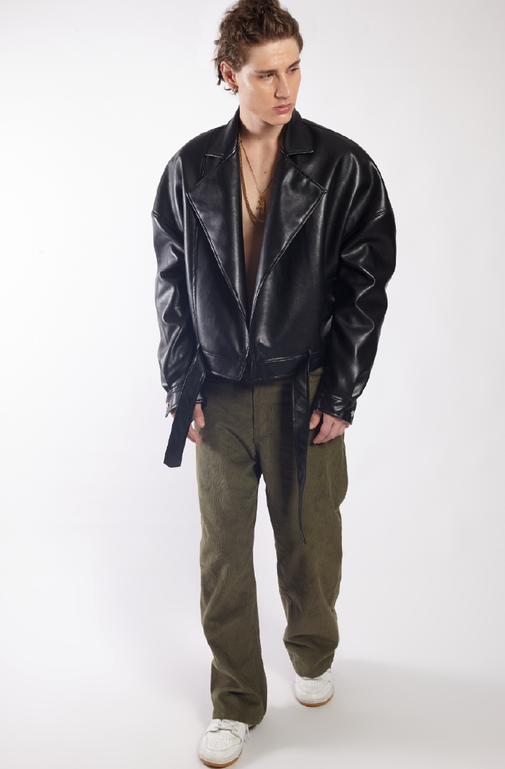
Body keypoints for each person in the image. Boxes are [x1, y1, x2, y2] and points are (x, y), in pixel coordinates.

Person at [153, 1, 396, 764]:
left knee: (309, 544)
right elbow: (170, 287)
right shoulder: (189, 169)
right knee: (223, 557)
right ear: (230, 74)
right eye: (265, 74)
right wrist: (180, 385)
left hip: (305, 387)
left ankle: (313, 651)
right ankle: (234, 700)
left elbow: (364, 289)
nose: (284, 87)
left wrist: (340, 391)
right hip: (218, 392)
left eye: (293, 68)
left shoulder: (342, 166)